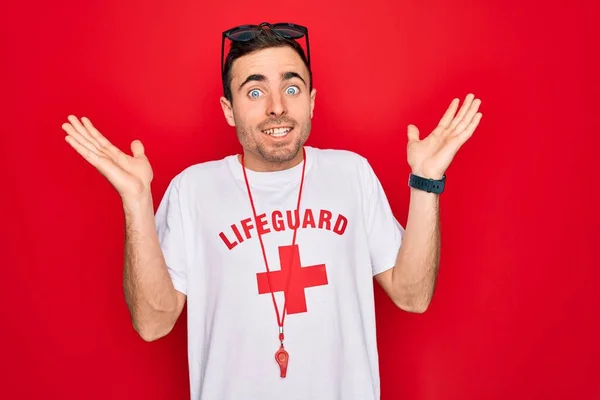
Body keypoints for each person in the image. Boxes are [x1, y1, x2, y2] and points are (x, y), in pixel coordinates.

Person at [62, 22, 482, 400]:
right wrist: (136, 202)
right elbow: (153, 324)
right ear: (229, 109)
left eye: (292, 88)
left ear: (313, 102)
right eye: (255, 91)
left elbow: (413, 296)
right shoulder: (193, 189)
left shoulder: (351, 174)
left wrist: (426, 181)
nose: (277, 107)